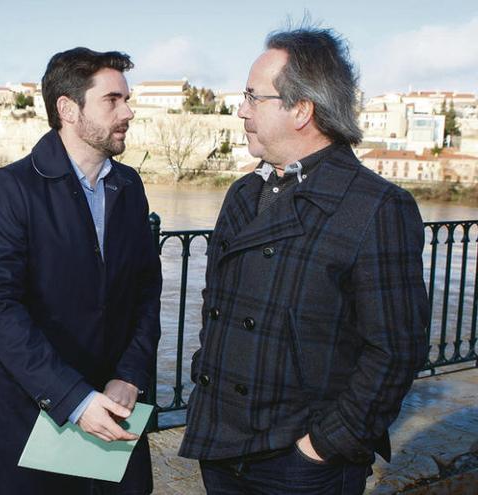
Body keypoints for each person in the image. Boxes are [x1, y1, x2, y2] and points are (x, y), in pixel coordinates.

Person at [178, 26, 430, 494]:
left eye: (254, 98)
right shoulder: (242, 194)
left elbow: (396, 351)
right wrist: (204, 378)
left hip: (301, 467)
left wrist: (322, 446)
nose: (241, 110)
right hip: (221, 446)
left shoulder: (375, 206)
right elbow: (217, 306)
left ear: (302, 110)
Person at [0, 47, 162, 494]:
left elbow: (147, 291)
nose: (128, 111)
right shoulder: (13, 187)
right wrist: (75, 399)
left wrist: (131, 375)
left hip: (118, 415)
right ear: (68, 109)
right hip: (38, 424)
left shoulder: (129, 185)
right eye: (112, 100)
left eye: (126, 99)